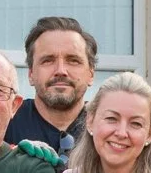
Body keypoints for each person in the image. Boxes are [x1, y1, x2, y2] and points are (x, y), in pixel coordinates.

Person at [7, 17, 98, 154]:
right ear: (31, 74)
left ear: (91, 74)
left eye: (73, 61)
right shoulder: (5, 123)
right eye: (48, 60)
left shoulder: (109, 128)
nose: (61, 71)